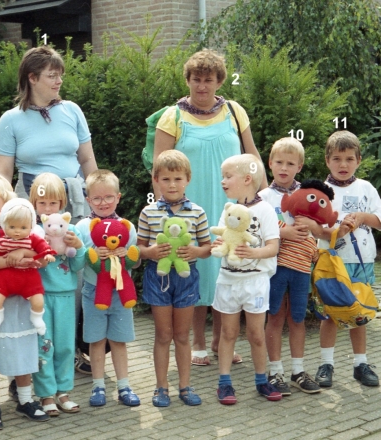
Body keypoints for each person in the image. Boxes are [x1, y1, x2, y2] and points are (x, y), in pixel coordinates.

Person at [153, 49, 266, 367]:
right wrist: (164, 210)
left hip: (230, 207)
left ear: (219, 81)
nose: (202, 86)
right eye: (196, 79)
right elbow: (159, 168)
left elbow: (253, 158)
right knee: (197, 272)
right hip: (187, 207)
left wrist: (268, 200)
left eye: (209, 80)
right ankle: (198, 344)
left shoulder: (234, 111)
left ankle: (221, 341)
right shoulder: (171, 117)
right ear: (187, 80)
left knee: (226, 272)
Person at [0, 45, 98, 377]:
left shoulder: (72, 111)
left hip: (75, 203)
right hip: (32, 204)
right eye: (52, 76)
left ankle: (75, 351)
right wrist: (1, 218)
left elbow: (87, 162)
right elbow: (2, 174)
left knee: (78, 276)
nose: (59, 81)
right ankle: (30, 358)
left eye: (60, 75)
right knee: (34, 275)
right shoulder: (10, 120)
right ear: (32, 77)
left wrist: (99, 202)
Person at [298, 130, 381, 388]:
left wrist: (360, 217)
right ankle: (326, 364)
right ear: (327, 160)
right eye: (337, 159)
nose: (343, 164)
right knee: (329, 314)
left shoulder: (366, 188)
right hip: (329, 263)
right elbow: (313, 228)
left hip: (361, 262)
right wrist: (338, 231)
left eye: (349, 159)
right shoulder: (317, 192)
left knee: (358, 312)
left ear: (359, 160)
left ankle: (361, 364)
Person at [0, 175, 50, 430]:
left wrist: (25, 253)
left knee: (22, 347)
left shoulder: (29, 227)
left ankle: (25, 400)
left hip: (20, 302)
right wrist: (13, 260)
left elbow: (42, 252)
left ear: (8, 201)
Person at [137, 150, 211, 407]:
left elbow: (207, 248)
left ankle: (185, 385)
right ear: (156, 179)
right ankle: (161, 387)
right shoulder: (148, 212)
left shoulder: (197, 212)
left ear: (187, 179)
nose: (172, 184)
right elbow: (138, 250)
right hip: (158, 277)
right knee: (162, 335)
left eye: (177, 179)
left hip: (186, 276)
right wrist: (150, 252)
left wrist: (195, 251)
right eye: (166, 179)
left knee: (182, 335)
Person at [212, 154, 282, 404]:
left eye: (228, 176)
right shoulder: (228, 209)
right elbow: (221, 236)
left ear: (247, 179)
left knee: (256, 334)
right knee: (227, 333)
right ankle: (224, 383)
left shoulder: (265, 210)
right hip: (228, 280)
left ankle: (262, 380)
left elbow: (273, 246)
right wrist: (219, 243)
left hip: (255, 282)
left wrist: (253, 252)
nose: (223, 181)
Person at [259, 138, 321, 396]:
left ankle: (298, 370)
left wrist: (310, 230)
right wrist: (284, 232)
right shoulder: (262, 196)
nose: (284, 168)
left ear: (300, 166)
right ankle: (275, 371)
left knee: (297, 317)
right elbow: (256, 230)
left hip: (300, 267)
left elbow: (321, 228)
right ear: (270, 163)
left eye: (290, 163)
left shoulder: (308, 196)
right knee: (274, 316)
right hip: (274, 267)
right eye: (279, 162)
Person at [76, 170, 141, 407]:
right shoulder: (83, 227)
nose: (103, 203)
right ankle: (98, 386)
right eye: (97, 198)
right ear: (88, 199)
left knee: (118, 341)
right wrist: (90, 254)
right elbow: (77, 259)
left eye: (109, 197)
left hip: (121, 293)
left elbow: (136, 260)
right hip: (93, 291)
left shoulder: (127, 226)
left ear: (118, 197)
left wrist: (130, 255)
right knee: (96, 340)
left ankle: (124, 386)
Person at [29, 173, 86, 415]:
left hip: (65, 295)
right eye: (43, 203)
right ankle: (45, 394)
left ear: (62, 204)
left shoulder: (70, 230)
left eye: (53, 203)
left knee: (64, 345)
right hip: (39, 296)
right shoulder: (32, 231)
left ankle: (63, 391)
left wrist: (79, 247)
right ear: (34, 205)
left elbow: (77, 265)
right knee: (44, 345)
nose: (48, 207)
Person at [0, 198, 56, 332]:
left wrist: (47, 254)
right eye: (12, 227)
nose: (17, 232)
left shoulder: (33, 237)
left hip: (28, 277)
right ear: (4, 223)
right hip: (4, 276)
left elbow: (43, 247)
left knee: (38, 300)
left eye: (23, 227)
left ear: (30, 226)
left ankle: (37, 318)